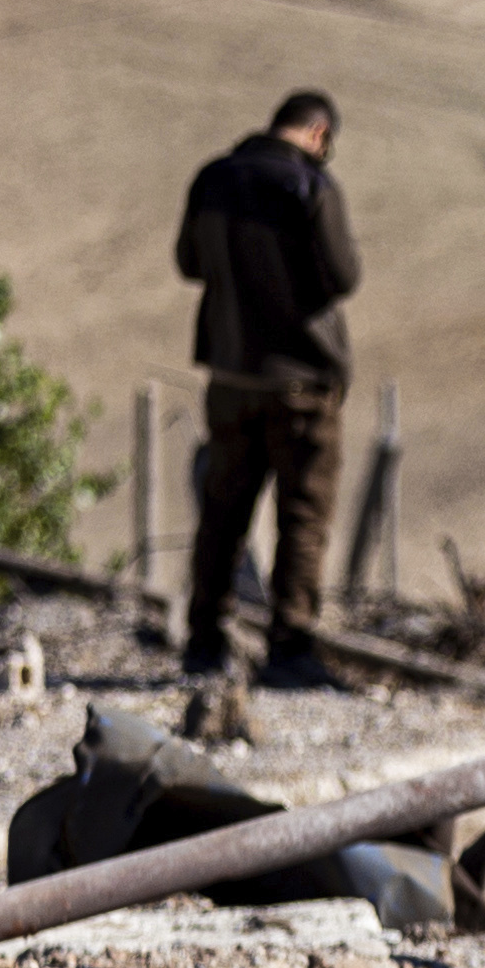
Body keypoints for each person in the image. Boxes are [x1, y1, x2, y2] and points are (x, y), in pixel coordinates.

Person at [174, 89, 361, 682]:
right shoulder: (311, 187)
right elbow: (342, 276)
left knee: (223, 510)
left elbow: (188, 262)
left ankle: (204, 640)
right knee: (302, 515)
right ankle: (292, 647)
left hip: (229, 374)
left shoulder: (214, 178)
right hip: (301, 379)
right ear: (319, 135)